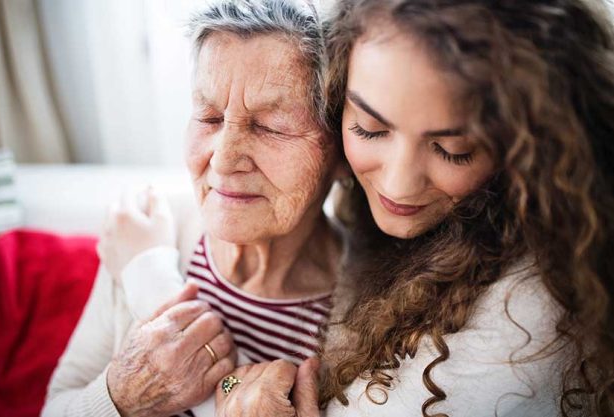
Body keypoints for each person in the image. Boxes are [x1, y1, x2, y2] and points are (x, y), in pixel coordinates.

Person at [214, 0, 614, 416]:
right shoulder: (371, 211)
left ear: (530, 145)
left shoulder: (528, 312)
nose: (397, 185)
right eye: (369, 128)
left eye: (452, 150)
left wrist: (150, 278)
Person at [41, 1, 346, 416]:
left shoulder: (365, 307)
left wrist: (148, 282)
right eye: (208, 116)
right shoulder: (148, 232)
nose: (222, 159)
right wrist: (120, 395)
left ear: (343, 147)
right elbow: (57, 405)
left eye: (271, 127)